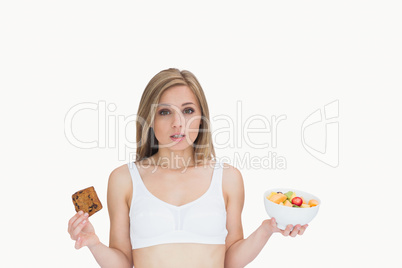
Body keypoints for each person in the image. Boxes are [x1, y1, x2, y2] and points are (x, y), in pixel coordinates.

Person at [67, 68, 308, 268]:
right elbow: (123, 262)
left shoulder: (228, 178)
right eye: (164, 112)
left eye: (188, 110)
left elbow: (231, 259)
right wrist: (94, 243)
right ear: (149, 119)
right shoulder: (123, 179)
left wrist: (267, 229)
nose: (177, 123)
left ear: (202, 117)